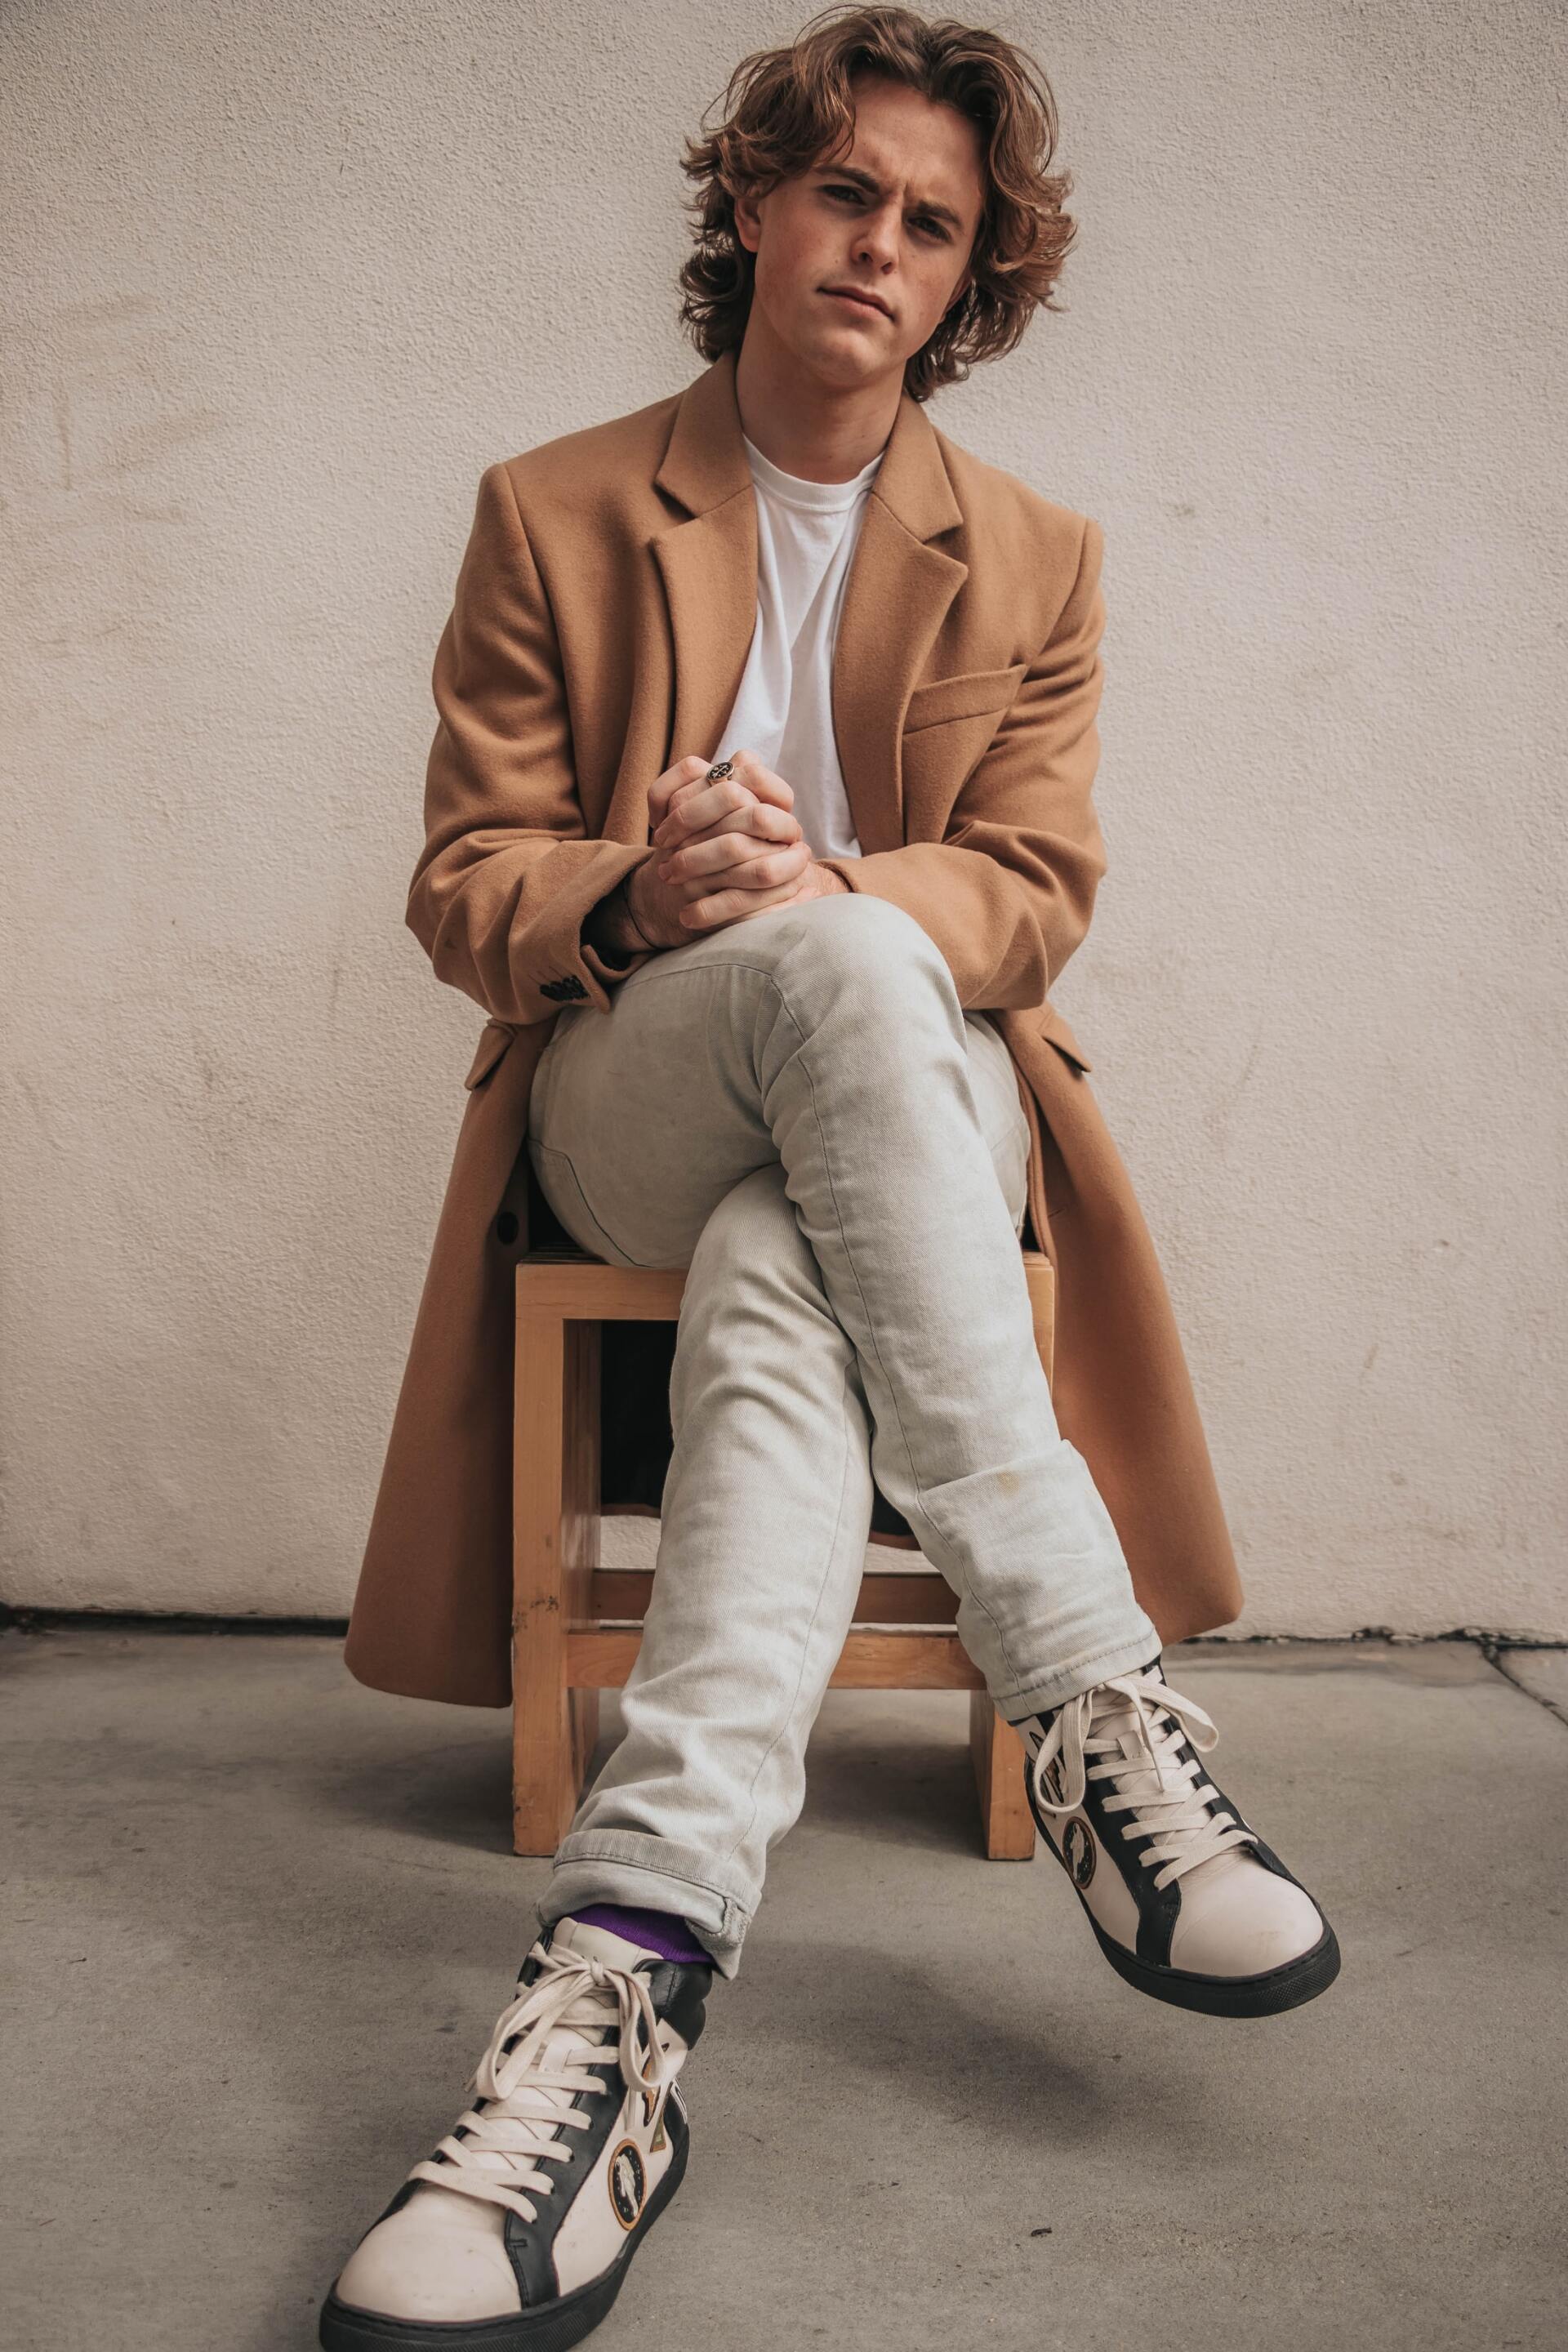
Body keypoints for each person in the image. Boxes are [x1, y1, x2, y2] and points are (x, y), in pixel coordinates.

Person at [319, 10, 1339, 2347]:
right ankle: (1091, 1701)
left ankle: (626, 1990)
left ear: (969, 277)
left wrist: (844, 893)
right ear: (758, 206)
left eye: (934, 222)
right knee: (820, 990)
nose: (883, 242)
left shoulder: (1041, 554)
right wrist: (659, 896)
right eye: (848, 191)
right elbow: (468, 881)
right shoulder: (552, 505)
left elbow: (1036, 892)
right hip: (629, 1082)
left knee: (846, 1071)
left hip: (900, 1089)